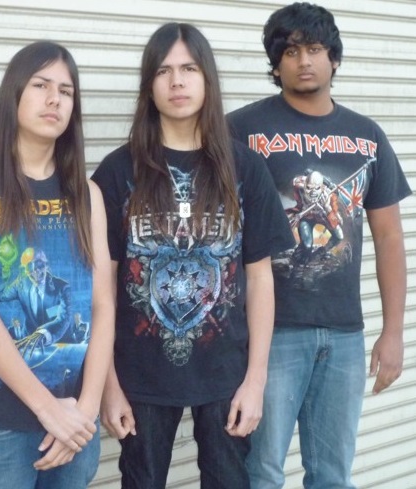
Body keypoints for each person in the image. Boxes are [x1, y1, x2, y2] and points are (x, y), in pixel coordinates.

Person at [92, 22, 294, 489]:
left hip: (226, 375)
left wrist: (256, 381)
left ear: (207, 79)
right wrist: (108, 386)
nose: (177, 81)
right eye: (163, 71)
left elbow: (260, 278)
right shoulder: (118, 171)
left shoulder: (244, 168)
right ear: (149, 85)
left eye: (189, 69)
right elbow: (101, 289)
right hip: (139, 378)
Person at [226, 3, 412, 488]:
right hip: (269, 336)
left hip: (345, 334)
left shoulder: (367, 136)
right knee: (260, 474)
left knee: (332, 476)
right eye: (290, 51)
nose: (303, 60)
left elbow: (389, 236)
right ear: (275, 64)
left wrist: (393, 332)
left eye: (314, 49)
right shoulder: (240, 131)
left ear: (334, 58)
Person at [0, 40, 115, 489]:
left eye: (66, 90)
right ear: (15, 94)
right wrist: (48, 410)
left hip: (75, 420)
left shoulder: (88, 195)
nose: (54, 99)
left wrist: (86, 410)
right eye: (41, 85)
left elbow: (102, 305)